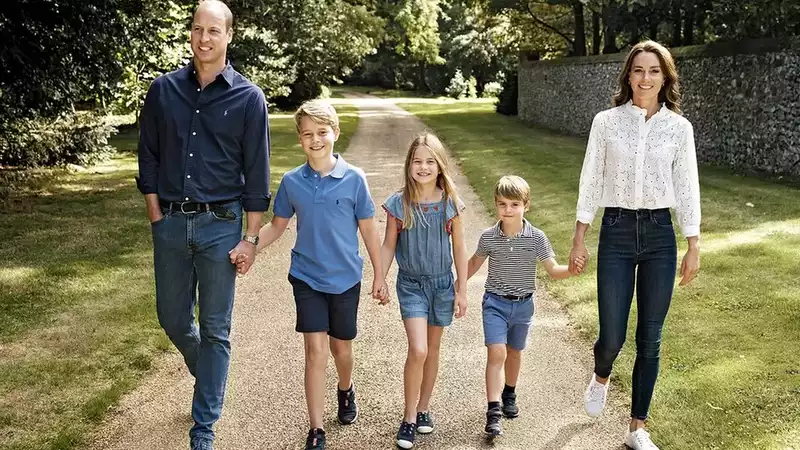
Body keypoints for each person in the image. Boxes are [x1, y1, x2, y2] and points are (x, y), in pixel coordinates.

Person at [135, 1, 270, 449]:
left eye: (214, 30)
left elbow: (257, 173)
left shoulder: (249, 98)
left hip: (221, 225)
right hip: (170, 223)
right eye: (197, 29)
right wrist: (155, 213)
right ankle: (207, 375)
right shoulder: (163, 91)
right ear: (190, 33)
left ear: (229, 36)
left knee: (215, 328)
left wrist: (250, 238)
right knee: (172, 318)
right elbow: (148, 156)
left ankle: (204, 429)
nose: (204, 38)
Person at [569, 40, 701, 450]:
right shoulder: (606, 122)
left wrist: (693, 243)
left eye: (654, 71)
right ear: (628, 75)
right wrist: (579, 237)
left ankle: (637, 427)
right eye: (639, 70)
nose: (646, 78)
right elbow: (591, 179)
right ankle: (602, 374)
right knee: (612, 335)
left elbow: (687, 186)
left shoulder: (679, 129)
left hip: (660, 234)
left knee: (651, 336)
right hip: (617, 230)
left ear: (666, 78)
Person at [244, 100, 387, 450]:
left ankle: (346, 388)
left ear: (335, 133)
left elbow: (369, 231)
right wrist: (249, 245)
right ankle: (316, 429)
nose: (315, 139)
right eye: (307, 134)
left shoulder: (354, 179)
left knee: (341, 349)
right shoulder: (292, 182)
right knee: (315, 351)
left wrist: (380, 275)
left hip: (345, 279)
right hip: (306, 277)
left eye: (322, 132)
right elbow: (277, 226)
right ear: (300, 139)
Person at [467, 175, 584, 438]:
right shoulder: (489, 237)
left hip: (523, 307)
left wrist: (571, 271)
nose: (508, 210)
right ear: (496, 206)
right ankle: (493, 411)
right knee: (496, 353)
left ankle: (509, 392)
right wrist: (457, 286)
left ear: (526, 206)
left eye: (514, 204)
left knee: (514, 353)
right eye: (502, 204)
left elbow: (553, 270)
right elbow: (473, 263)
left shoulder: (537, 238)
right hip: (494, 303)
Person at [379, 133, 468, 449]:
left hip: (442, 285)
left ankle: (424, 407)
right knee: (418, 349)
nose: (423, 166)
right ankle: (408, 418)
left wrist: (462, 289)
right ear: (409, 165)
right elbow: (389, 244)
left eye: (430, 161)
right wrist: (380, 277)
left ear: (440, 166)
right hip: (412, 286)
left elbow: (459, 247)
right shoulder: (398, 204)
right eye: (417, 161)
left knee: (432, 349)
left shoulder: (449, 204)